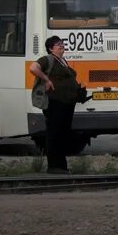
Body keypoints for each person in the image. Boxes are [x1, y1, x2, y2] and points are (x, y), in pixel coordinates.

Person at [29, 35, 81, 174]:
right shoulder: (48, 59)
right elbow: (33, 68)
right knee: (54, 133)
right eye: (58, 44)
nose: (62, 46)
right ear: (51, 48)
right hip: (55, 103)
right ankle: (54, 166)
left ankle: (61, 166)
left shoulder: (62, 60)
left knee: (62, 134)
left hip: (66, 104)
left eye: (62, 44)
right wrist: (46, 79)